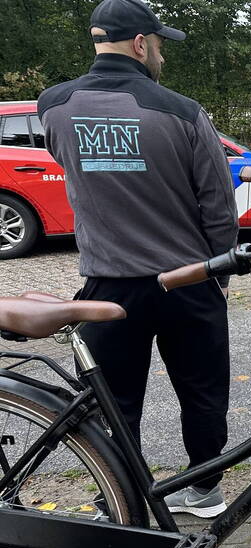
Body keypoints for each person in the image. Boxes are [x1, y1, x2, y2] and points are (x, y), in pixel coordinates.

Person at [39, 0, 238, 517]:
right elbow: (216, 204)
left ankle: (119, 502)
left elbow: (73, 169)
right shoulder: (182, 111)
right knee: (201, 391)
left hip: (108, 285)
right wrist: (220, 271)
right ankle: (205, 490)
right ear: (141, 44)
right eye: (160, 47)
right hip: (188, 280)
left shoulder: (53, 105)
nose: (162, 59)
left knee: (114, 402)